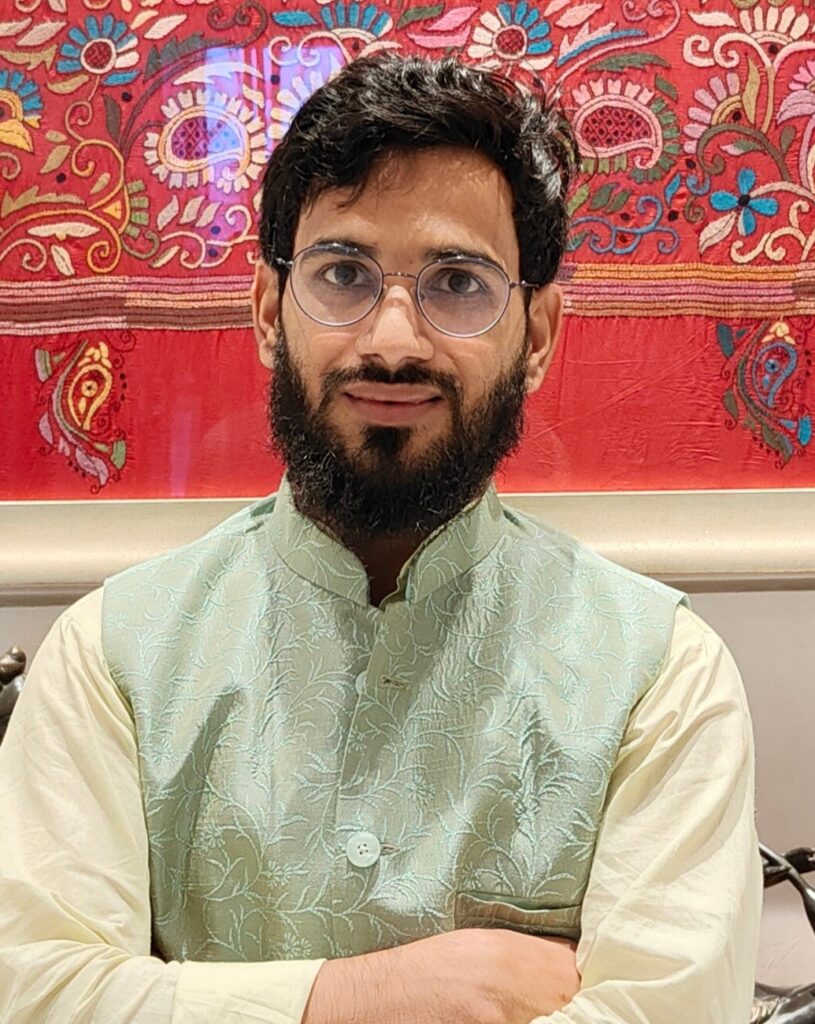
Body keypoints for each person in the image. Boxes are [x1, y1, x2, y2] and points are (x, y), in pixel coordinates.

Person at [0, 53, 761, 1023]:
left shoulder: (661, 676)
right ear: (268, 312)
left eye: (457, 283)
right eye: (342, 275)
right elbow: (37, 994)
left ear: (536, 335)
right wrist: (377, 994)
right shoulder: (112, 660)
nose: (393, 340)